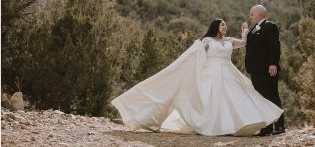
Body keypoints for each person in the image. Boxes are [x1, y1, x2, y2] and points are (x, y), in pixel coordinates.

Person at [111, 18, 283, 136]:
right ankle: (215, 125)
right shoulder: (207, 42)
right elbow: (196, 57)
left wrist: (245, 31)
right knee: (213, 100)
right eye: (223, 25)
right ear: (216, 27)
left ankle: (236, 125)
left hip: (228, 73)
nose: (225, 27)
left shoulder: (229, 41)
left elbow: (244, 43)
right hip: (212, 74)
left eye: (225, 25)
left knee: (237, 99)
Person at [245, 5, 285, 136]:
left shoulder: (270, 26)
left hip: (267, 70)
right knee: (262, 99)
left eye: (252, 14)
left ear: (258, 14)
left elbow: (275, 46)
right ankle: (267, 127)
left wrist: (273, 63)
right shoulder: (254, 29)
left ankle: (279, 126)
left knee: (272, 96)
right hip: (256, 71)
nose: (250, 16)